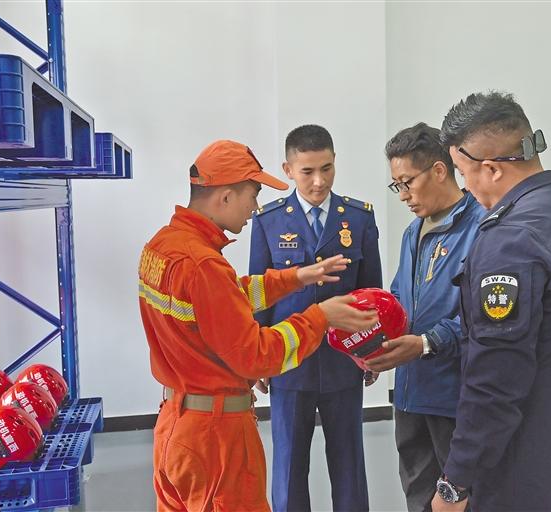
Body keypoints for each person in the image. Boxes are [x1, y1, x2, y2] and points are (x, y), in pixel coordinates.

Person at [138, 139, 379, 512]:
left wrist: (297, 276)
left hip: (176, 421)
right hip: (215, 434)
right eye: (252, 195)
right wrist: (321, 316)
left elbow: (228, 298)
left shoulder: (163, 246)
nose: (254, 208)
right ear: (226, 197)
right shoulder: (203, 265)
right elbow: (256, 356)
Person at [432, 92, 551, 512]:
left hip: (522, 474)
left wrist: (455, 482)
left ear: (491, 168)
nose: (464, 187)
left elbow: (495, 379)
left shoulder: (512, 240)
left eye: (463, 173)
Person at [249, 125, 382, 512]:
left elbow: (371, 293)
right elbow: (259, 294)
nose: (319, 181)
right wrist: (258, 359)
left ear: (335, 161)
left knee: (349, 463)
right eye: (307, 171)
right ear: (288, 169)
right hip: (289, 362)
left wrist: (373, 348)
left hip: (344, 361)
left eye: (327, 168)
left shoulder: (358, 218)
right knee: (289, 465)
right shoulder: (269, 221)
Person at [365, 122, 484, 512]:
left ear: (438, 170)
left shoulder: (482, 227)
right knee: (418, 497)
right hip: (411, 394)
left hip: (455, 397)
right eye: (395, 185)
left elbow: (483, 319)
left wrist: (426, 343)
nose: (402, 195)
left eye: (407, 183)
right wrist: (372, 342)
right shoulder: (412, 233)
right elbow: (399, 302)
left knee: (462, 501)